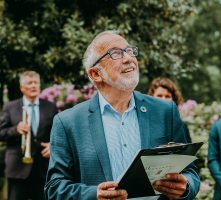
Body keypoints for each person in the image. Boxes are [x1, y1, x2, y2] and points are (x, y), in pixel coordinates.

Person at [45, 30, 200, 200]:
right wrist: (93, 195)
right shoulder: (67, 122)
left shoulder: (165, 111)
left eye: (130, 50)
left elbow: (190, 171)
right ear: (95, 74)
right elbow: (54, 187)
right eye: (115, 53)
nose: (128, 58)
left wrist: (185, 187)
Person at [0, 71, 57, 200]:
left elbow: (58, 134)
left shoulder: (50, 107)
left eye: (35, 83)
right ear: (21, 88)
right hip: (17, 168)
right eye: (29, 83)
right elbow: (1, 133)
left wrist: (53, 145)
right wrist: (16, 129)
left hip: (43, 168)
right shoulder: (10, 107)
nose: (33, 86)